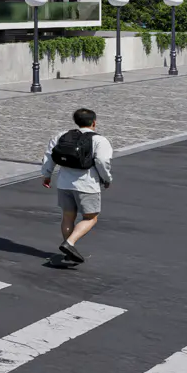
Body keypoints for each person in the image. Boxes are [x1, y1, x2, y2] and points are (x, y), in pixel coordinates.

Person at [42, 107, 113, 263]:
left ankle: (69, 252)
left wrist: (46, 175)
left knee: (68, 216)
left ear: (76, 121)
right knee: (91, 218)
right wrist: (107, 179)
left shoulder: (61, 136)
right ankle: (69, 243)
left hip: (64, 183)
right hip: (87, 185)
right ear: (94, 122)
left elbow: (49, 156)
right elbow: (102, 162)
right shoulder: (99, 140)